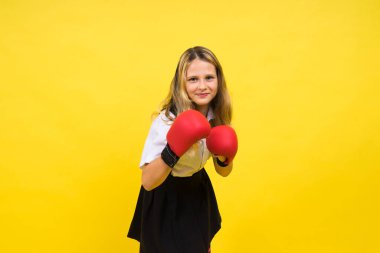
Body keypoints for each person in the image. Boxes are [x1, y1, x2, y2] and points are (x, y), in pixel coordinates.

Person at [127, 46, 238, 253]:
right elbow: (148, 182)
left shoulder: (216, 116)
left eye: (209, 78)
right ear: (182, 83)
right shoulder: (166, 122)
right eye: (193, 79)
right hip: (166, 195)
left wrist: (225, 156)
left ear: (218, 81)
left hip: (197, 191)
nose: (202, 86)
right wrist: (174, 148)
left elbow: (223, 172)